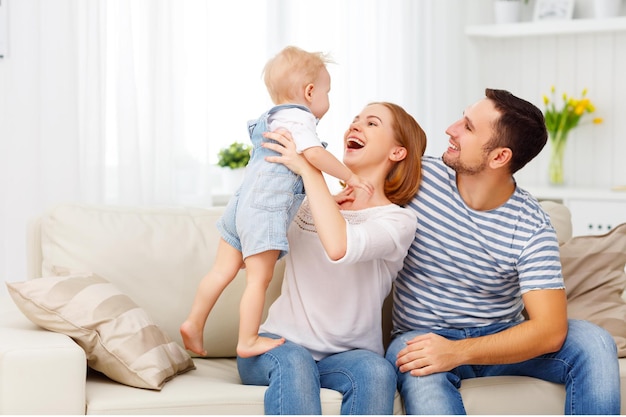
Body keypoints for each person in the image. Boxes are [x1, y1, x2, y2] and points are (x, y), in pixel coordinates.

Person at [386, 88, 621, 415]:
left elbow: (550, 330)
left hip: (500, 337)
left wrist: (457, 352)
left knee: (594, 343)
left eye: (467, 127)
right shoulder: (416, 178)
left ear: (499, 157)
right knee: (419, 368)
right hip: (422, 337)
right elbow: (354, 181)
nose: (450, 129)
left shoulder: (531, 225)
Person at [180, 46, 372, 359]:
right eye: (328, 91)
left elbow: (292, 177)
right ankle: (248, 339)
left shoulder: (273, 119)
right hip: (264, 212)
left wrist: (331, 197)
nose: (328, 99)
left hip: (241, 206)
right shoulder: (301, 119)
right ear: (310, 92)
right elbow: (314, 157)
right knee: (259, 279)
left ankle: (194, 321)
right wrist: (349, 177)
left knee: (221, 271)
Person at [237, 102, 427, 414]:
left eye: (371, 123)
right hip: (279, 347)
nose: (355, 126)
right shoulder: (305, 203)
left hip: (347, 357)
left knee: (377, 371)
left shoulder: (397, 221)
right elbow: (251, 226)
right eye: (354, 120)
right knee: (296, 362)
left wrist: (310, 170)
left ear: (397, 151)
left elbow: (340, 247)